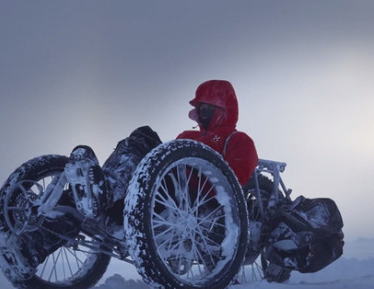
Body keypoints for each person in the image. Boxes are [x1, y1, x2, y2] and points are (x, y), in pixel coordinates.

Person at [65, 80, 258, 226]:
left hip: (190, 197)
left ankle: (105, 189)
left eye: (207, 108)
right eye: (200, 108)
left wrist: (195, 175)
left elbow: (232, 183)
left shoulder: (238, 140)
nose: (202, 112)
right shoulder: (187, 135)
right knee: (72, 204)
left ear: (224, 110)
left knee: (144, 136)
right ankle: (49, 227)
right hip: (158, 191)